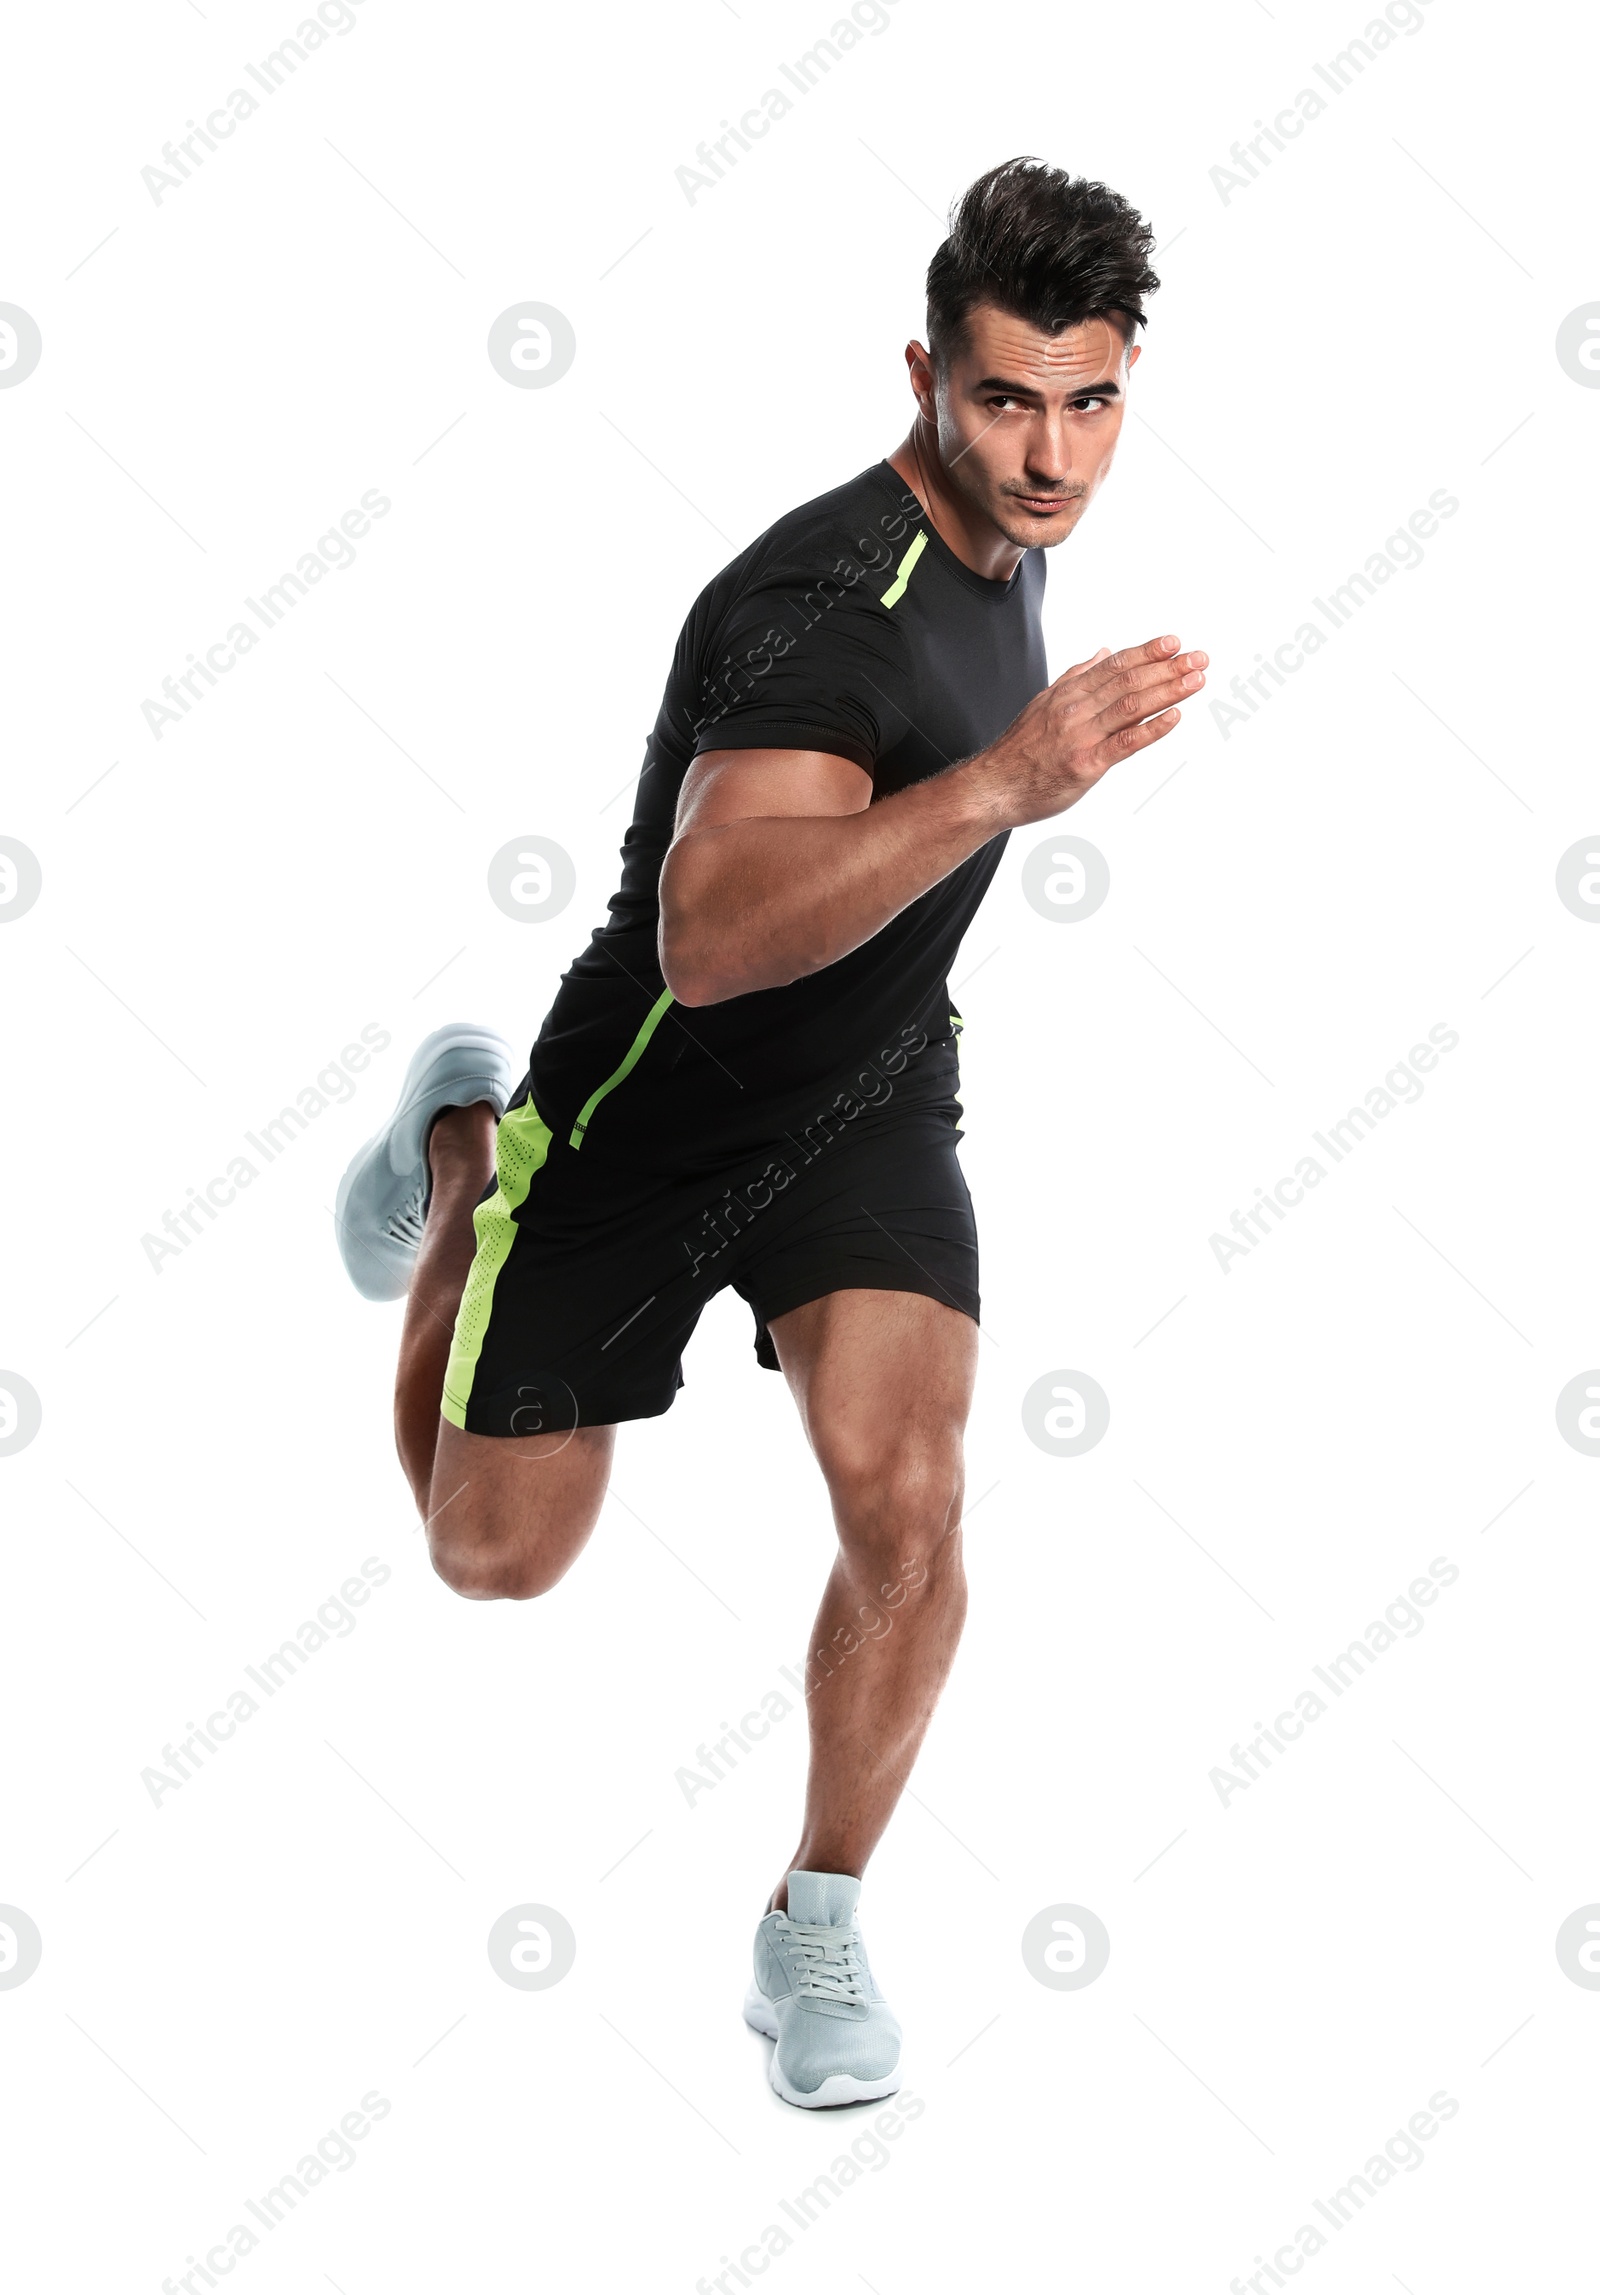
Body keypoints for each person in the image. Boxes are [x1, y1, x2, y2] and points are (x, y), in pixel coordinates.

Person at [335, 155, 1206, 2108]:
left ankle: (813, 1912)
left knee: (906, 1496)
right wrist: (1003, 780)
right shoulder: (822, 602)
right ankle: (470, 1149)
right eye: (1002, 399)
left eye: (1088, 398)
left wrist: (982, 801)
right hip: (657, 1098)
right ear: (922, 374)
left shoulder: (1015, 540)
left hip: (867, 1083)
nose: (1050, 451)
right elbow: (712, 937)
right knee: (493, 1557)